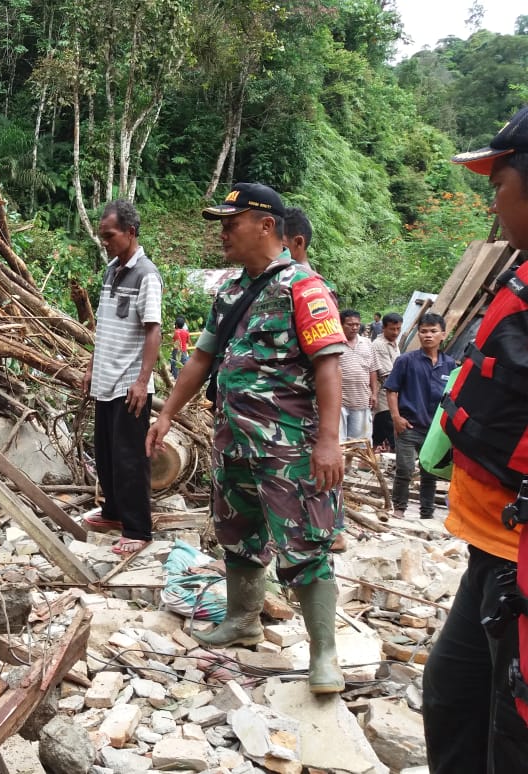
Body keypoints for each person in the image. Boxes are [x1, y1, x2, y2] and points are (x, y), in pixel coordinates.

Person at [147, 182, 347, 694]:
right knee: (236, 529)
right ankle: (243, 618)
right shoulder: (231, 292)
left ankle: (324, 654)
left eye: (230, 223)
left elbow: (328, 366)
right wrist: (168, 413)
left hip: (288, 446)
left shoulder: (305, 288)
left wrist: (329, 441)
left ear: (265, 226)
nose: (223, 233)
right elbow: (201, 359)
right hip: (233, 439)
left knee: (303, 542)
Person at [423, 105, 528, 773]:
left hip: (519, 559)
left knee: (509, 739)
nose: (493, 202)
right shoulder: (519, 275)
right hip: (490, 547)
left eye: (499, 184)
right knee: (451, 699)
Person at [82, 199, 162, 555]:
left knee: (131, 457)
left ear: (130, 232)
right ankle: (113, 512)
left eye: (110, 235)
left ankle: (138, 528)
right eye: (102, 236)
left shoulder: (147, 275)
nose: (105, 241)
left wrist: (143, 381)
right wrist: (90, 367)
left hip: (130, 383)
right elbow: (104, 328)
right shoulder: (112, 269)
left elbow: (153, 331)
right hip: (105, 379)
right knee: (106, 453)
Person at [384, 312, 456, 519]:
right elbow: (391, 390)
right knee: (405, 470)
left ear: (443, 334)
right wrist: (396, 418)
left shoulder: (450, 364)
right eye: (423, 331)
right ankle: (399, 508)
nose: (428, 335)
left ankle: (427, 512)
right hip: (408, 425)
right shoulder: (406, 360)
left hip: (434, 430)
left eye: (433, 331)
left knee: (429, 472)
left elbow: (454, 396)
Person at [338, 309, 377, 441]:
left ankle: (353, 463)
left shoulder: (367, 343)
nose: (354, 327)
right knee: (339, 442)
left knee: (358, 444)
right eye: (350, 324)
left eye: (357, 324)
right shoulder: (334, 344)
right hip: (339, 402)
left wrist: (374, 393)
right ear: (341, 324)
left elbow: (372, 370)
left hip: (361, 400)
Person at [370, 312, 403, 451]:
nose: (396, 332)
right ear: (383, 328)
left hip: (393, 394)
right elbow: (388, 375)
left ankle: (367, 460)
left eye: (398, 329)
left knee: (381, 430)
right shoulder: (379, 345)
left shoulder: (393, 343)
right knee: (389, 428)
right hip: (385, 394)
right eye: (392, 329)